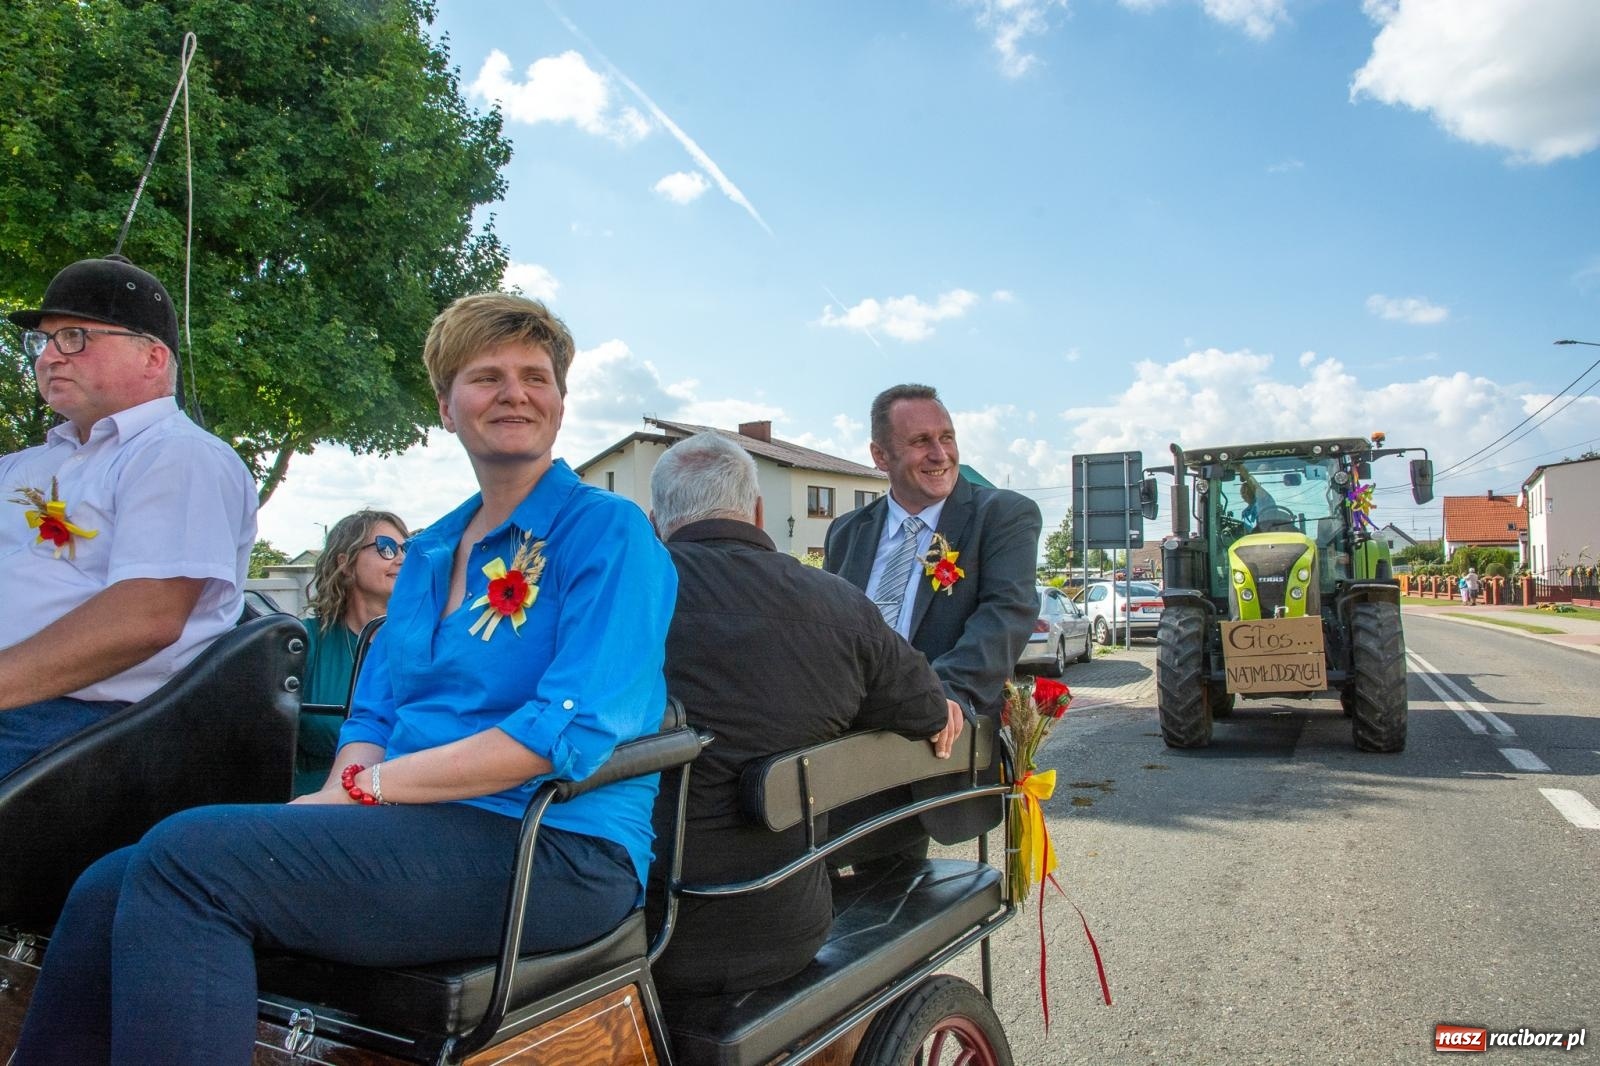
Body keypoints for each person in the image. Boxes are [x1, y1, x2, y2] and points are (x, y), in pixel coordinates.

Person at [12, 292, 678, 1065]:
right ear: (446, 404)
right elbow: (373, 715)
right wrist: (341, 790)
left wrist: (366, 793)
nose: (515, 393)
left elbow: (568, 726)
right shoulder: (427, 550)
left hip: (554, 843)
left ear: (561, 402)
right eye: (486, 376)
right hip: (419, 827)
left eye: (536, 377)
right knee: (108, 880)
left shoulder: (606, 530)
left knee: (190, 860)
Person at [646, 432, 952, 995]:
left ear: (654, 520)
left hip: (635, 930)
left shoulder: (620, 602)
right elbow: (928, 710)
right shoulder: (838, 604)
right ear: (759, 512)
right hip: (784, 925)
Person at [0, 255, 255, 780]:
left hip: (90, 727)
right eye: (43, 342)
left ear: (153, 358)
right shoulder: (25, 465)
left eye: (74, 337)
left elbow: (146, 619)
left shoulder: (180, 455)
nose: (48, 356)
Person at [824, 383, 1041, 862]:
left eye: (947, 437)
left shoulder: (1002, 515)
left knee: (890, 896)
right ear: (881, 455)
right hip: (841, 750)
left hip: (931, 746)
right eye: (921, 441)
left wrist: (942, 695)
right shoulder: (846, 532)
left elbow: (1006, 615)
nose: (940, 454)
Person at [293, 509, 410, 795]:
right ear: (345, 563)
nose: (401, 558)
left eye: (407, 549)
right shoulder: (303, 642)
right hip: (311, 798)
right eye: (386, 547)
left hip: (403, 798)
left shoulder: (424, 642)